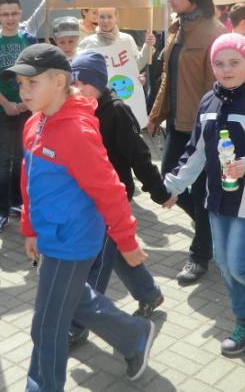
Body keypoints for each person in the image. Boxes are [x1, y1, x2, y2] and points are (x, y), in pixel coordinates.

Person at [7, 44, 156, 390]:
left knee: (47, 325)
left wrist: (127, 242)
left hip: (73, 241)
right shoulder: (34, 124)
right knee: (75, 299)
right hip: (50, 235)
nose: (24, 91)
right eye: (20, 83)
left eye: (32, 82)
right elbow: (29, 181)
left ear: (60, 82)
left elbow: (111, 190)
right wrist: (30, 228)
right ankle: (134, 336)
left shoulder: (77, 132)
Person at [163, 33, 245, 356]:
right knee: (224, 263)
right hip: (217, 198)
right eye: (219, 63)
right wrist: (172, 187)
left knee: (240, 264)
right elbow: (196, 151)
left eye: (234, 62)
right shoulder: (208, 101)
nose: (226, 69)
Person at [67, 50, 168, 347]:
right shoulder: (77, 110)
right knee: (116, 253)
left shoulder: (116, 111)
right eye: (74, 83)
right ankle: (149, 293)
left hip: (112, 198)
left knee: (97, 262)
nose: (78, 89)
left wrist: (158, 189)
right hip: (87, 197)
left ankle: (77, 323)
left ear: (99, 83)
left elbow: (139, 155)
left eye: (84, 83)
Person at [147, 0, 227, 286]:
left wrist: (210, 128)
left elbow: (217, 89)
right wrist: (156, 114)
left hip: (203, 128)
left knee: (201, 191)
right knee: (168, 183)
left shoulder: (214, 33)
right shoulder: (177, 26)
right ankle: (213, 229)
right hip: (177, 124)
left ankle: (200, 253)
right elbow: (169, 76)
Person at [0, 0, 39, 235]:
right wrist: (6, 104)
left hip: (27, 108)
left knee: (23, 157)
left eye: (14, 13)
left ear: (21, 13)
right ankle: (0, 211)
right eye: (5, 14)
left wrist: (25, 104)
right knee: (3, 160)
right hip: (1, 108)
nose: (10, 18)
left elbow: (36, 75)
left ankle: (18, 202)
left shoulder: (29, 39)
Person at [78, 7, 156, 70]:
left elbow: (136, 65)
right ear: (97, 19)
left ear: (116, 18)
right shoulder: (88, 42)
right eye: (102, 17)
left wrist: (148, 45)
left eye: (109, 17)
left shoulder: (127, 39)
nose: (106, 21)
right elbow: (78, 65)